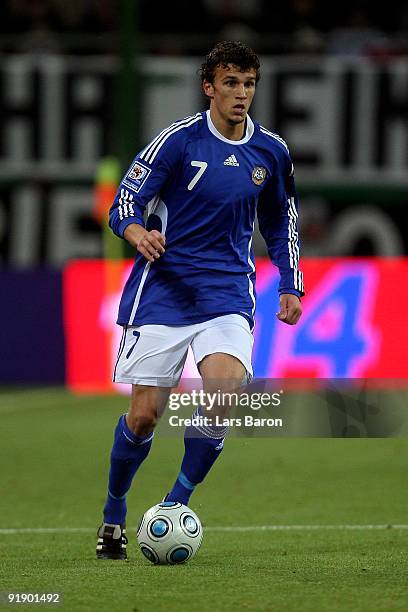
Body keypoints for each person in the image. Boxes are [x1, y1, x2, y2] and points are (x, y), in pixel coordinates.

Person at [96, 40, 304, 560]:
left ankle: (174, 505)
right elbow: (127, 197)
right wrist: (136, 231)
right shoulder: (178, 141)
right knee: (144, 416)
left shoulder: (271, 152)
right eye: (230, 83)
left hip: (227, 292)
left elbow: (282, 222)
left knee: (223, 391)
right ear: (208, 87)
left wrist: (289, 282)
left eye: (249, 84)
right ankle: (115, 511)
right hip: (164, 291)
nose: (241, 94)